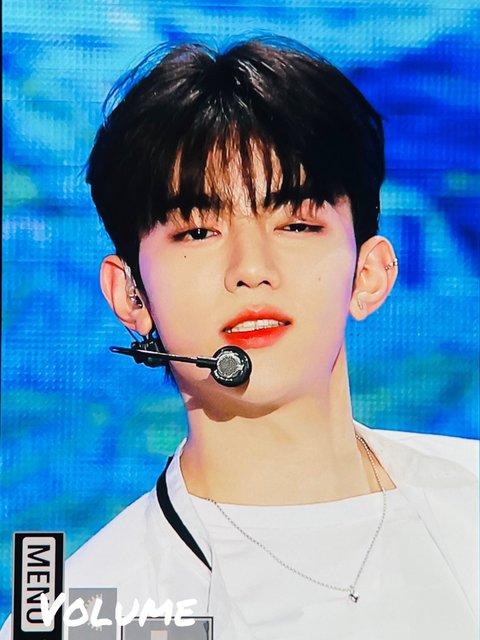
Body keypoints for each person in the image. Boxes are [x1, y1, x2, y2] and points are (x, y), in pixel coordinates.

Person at [2, 37, 478, 640]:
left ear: (369, 275)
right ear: (131, 296)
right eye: (198, 232)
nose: (251, 268)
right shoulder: (88, 616)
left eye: (297, 223)